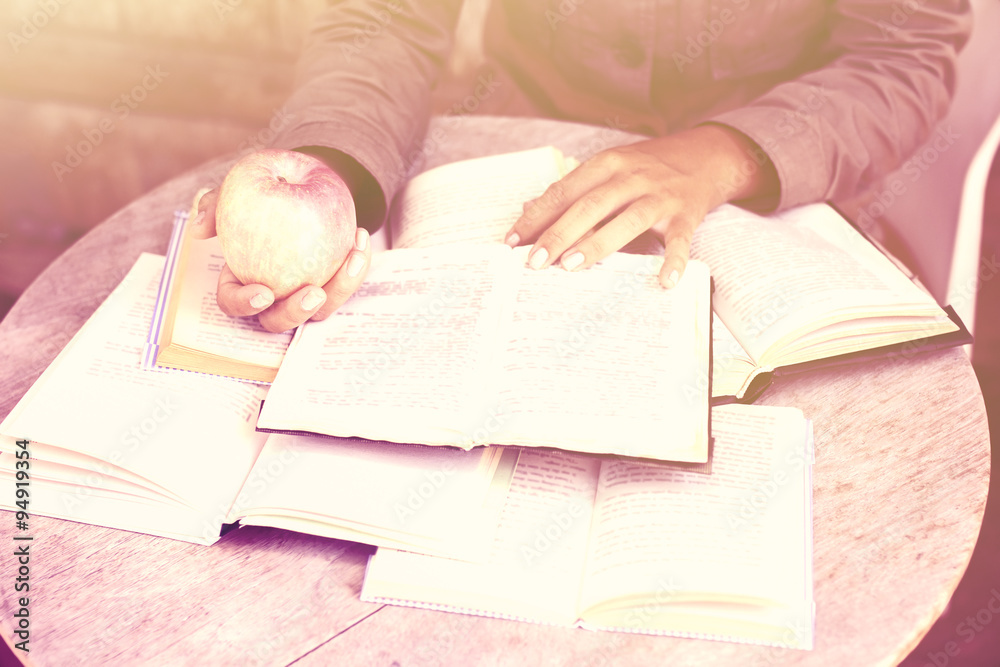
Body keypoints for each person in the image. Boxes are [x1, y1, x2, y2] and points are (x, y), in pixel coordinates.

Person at [192, 0, 971, 333]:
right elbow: (385, 17)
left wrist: (720, 153)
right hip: (513, 171)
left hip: (781, 196)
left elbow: (902, 56)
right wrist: (331, 180)